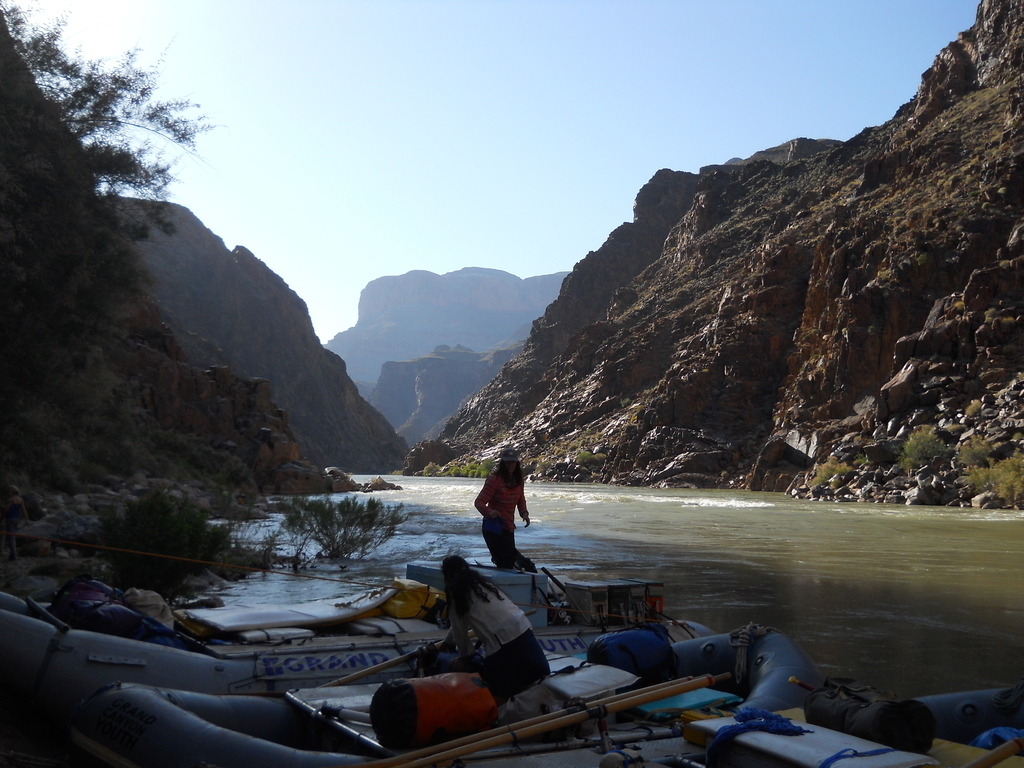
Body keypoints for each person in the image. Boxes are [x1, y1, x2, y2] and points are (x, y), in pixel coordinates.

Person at [440, 554, 549, 700]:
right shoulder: (483, 585)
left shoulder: (456, 594)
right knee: (534, 676)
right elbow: (457, 626)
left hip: (503, 644)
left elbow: (460, 631)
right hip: (524, 631)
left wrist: (464, 656)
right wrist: (448, 642)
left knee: (491, 693)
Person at [475, 447, 536, 571]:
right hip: (493, 526)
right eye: (508, 462)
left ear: (517, 463)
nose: (510, 465)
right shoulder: (494, 480)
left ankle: (519, 577)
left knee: (510, 559)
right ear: (502, 463)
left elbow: (521, 499)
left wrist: (524, 512)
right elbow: (479, 502)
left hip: (508, 526)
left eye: (513, 462)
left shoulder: (519, 481)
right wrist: (489, 512)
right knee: (505, 560)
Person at [4, 487, 23, 561]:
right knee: (13, 536)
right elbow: (23, 510)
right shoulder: (21, 500)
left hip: (9, 518)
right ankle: (12, 554)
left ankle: (13, 555)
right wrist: (27, 520)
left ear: (13, 492)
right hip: (17, 519)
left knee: (11, 537)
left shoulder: (11, 499)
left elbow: (6, 509)